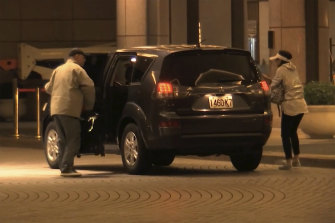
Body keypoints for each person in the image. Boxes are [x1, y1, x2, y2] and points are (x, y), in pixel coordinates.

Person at [45, 48, 95, 177]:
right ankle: (67, 168)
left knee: (63, 139)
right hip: (69, 109)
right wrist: (89, 106)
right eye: (83, 58)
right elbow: (89, 86)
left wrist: (59, 92)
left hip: (56, 109)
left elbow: (48, 87)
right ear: (77, 56)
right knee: (73, 139)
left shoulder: (58, 69)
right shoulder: (77, 70)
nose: (84, 60)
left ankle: (64, 166)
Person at [269, 50, 308, 170]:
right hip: (301, 105)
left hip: (290, 105)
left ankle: (288, 162)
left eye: (276, 59)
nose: (275, 62)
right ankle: (296, 159)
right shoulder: (293, 68)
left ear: (280, 60)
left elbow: (274, 84)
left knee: (285, 134)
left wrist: (266, 88)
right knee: (293, 132)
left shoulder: (281, 70)